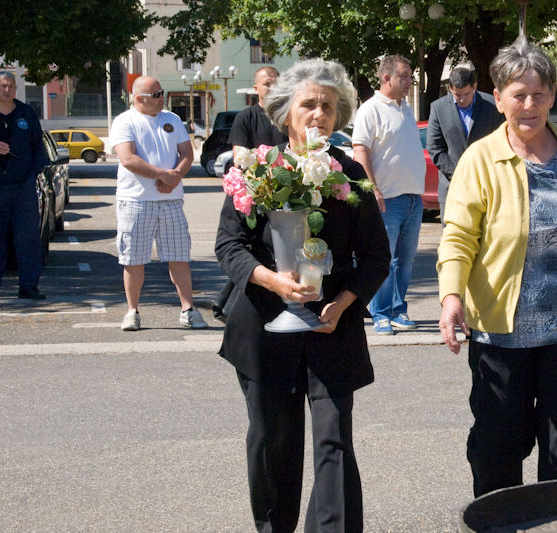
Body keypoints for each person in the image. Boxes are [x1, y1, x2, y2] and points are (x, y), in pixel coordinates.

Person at [437, 38, 557, 497]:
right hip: (501, 333)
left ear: (552, 95)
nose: (529, 105)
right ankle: (498, 523)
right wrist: (450, 298)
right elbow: (458, 236)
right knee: (497, 450)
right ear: (498, 97)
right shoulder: (480, 158)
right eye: (519, 94)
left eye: (539, 94)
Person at [215, 58, 390, 532]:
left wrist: (345, 302)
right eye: (308, 104)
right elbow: (228, 245)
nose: (319, 114)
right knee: (272, 441)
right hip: (264, 326)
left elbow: (377, 257)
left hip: (333, 325)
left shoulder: (350, 174)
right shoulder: (257, 169)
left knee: (334, 443)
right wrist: (271, 280)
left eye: (328, 106)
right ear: (284, 112)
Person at [109, 75, 208, 331]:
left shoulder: (172, 119)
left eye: (161, 93)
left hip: (171, 200)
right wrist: (164, 175)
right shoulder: (124, 121)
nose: (162, 98)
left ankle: (188, 309)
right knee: (133, 259)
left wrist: (174, 178)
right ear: (139, 99)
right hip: (136, 200)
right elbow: (128, 158)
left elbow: (187, 153)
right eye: (156, 95)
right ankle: (132, 311)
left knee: (179, 256)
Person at [352, 55, 426, 335]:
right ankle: (380, 312)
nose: (410, 81)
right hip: (388, 199)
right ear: (386, 78)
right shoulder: (370, 109)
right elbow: (360, 151)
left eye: (410, 76)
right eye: (404, 76)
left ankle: (397, 309)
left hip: (413, 198)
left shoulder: (405, 108)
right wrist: (372, 188)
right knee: (383, 258)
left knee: (405, 261)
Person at [212, 66, 288, 322]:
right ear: (256, 88)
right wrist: (267, 164)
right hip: (255, 193)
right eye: (267, 83)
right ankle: (231, 305)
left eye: (276, 82)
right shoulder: (246, 117)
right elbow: (240, 157)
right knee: (252, 250)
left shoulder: (288, 116)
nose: (272, 87)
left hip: (286, 191)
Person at [0, 72, 48, 301]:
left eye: (11, 86)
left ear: (16, 89)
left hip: (23, 187)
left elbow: (39, 150)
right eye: (3, 86)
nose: (7, 90)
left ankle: (29, 286)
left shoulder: (26, 113)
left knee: (28, 238)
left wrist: (31, 176)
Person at [427, 67, 504, 220]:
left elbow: (501, 143)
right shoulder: (438, 108)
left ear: (474, 86)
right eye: (457, 95)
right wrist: (459, 174)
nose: (462, 99)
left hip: (486, 186)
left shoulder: (492, 105)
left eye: (466, 94)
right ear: (450, 88)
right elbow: (435, 148)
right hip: (451, 187)